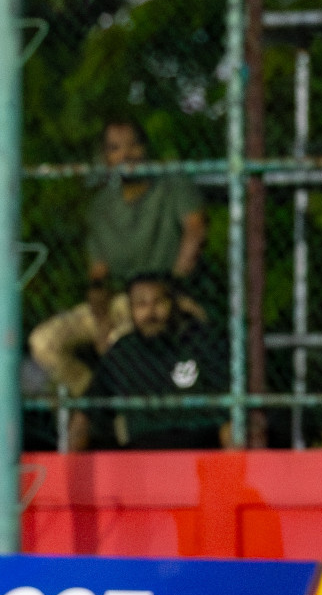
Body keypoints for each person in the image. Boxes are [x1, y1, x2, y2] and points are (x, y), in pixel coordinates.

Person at [31, 119, 206, 396]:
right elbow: (98, 276)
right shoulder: (101, 207)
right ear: (106, 158)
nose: (125, 155)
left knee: (122, 345)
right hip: (118, 302)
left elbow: (195, 230)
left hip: (163, 298)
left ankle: (127, 428)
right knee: (43, 341)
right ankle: (93, 397)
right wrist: (101, 323)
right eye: (114, 148)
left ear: (146, 148)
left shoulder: (173, 185)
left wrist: (174, 287)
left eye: (133, 145)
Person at [71, 272, 230, 451]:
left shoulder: (201, 344)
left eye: (159, 302)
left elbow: (230, 419)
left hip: (199, 453)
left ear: (174, 304)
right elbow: (86, 413)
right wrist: (65, 471)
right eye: (141, 305)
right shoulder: (123, 353)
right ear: (130, 309)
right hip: (142, 459)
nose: (150, 313)